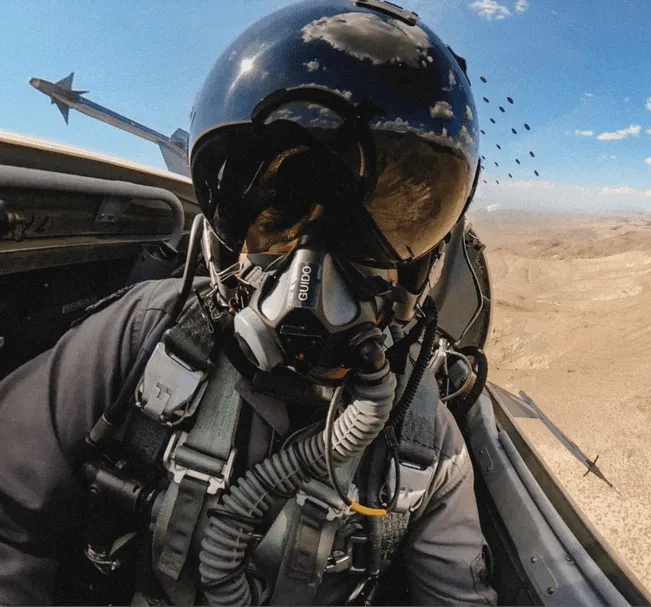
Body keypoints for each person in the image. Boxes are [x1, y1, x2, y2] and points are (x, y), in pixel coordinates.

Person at [0, 1, 497, 605]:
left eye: (376, 226)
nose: (309, 270)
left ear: (424, 260)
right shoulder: (143, 336)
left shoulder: (424, 446)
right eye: (276, 216)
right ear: (221, 231)